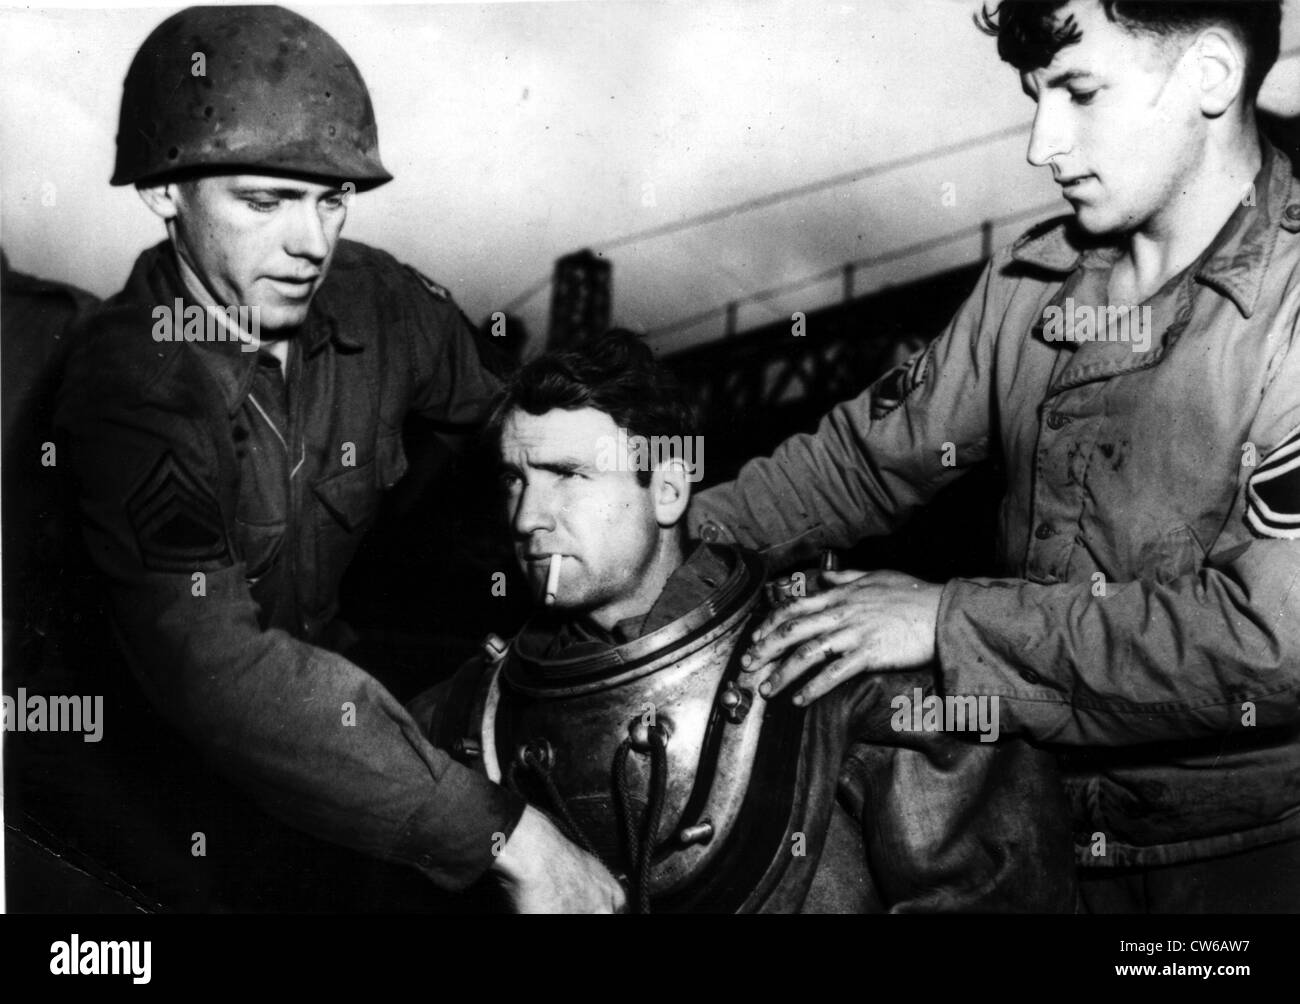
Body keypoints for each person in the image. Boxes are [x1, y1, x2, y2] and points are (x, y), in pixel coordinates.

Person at [689, 0, 1300, 912]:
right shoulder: (1031, 286)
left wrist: (947, 624)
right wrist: (666, 544)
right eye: (1033, 97)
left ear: (1209, 74)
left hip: (1238, 868)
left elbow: (1269, 646)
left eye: (1078, 91)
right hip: (1025, 837)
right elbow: (863, 465)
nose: (1040, 145)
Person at [51, 4, 621, 913]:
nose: (313, 245)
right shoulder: (129, 386)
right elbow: (219, 672)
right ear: (165, 193)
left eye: (331, 200)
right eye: (266, 201)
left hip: (336, 694)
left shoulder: (376, 301)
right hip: (151, 770)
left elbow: (514, 426)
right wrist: (508, 838)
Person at [408, 331, 1076, 913]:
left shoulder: (843, 660)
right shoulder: (476, 713)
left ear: (667, 489)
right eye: (515, 481)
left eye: (569, 475)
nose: (527, 518)